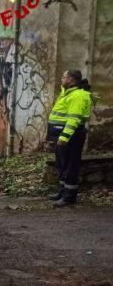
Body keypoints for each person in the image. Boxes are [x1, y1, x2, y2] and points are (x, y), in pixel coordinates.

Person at [47, 70, 93, 207]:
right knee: (62, 164)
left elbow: (74, 119)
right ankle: (62, 192)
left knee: (71, 165)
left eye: (64, 76)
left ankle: (69, 197)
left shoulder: (78, 95)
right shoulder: (68, 92)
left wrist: (64, 137)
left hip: (71, 136)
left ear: (71, 79)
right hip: (62, 135)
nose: (62, 79)